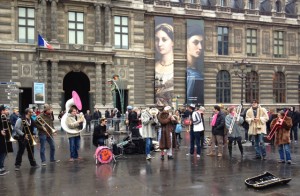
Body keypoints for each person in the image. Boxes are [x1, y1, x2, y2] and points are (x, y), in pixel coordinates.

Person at [155, 23, 174, 106]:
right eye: (157, 39)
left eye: (164, 39)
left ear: (173, 42)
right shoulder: (154, 66)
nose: (159, 44)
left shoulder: (177, 68)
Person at [186, 24, 204, 103]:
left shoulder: (198, 73)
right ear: (186, 44)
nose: (200, 47)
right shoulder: (195, 74)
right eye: (195, 42)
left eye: (201, 43)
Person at [0, 105, 13, 176]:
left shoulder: (5, 117)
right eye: (6, 110)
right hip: (1, 139)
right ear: (2, 111)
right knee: (2, 153)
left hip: (5, 138)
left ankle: (2, 168)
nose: (7, 111)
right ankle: (0, 168)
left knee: (4, 152)